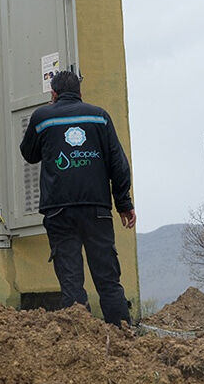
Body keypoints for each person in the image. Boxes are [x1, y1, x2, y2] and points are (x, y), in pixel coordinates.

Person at [19, 70, 136, 327]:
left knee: (71, 279)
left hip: (59, 210)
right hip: (97, 209)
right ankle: (122, 335)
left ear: (53, 94)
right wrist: (124, 204)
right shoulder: (99, 116)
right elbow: (118, 164)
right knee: (107, 278)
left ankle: (81, 341)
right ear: (80, 94)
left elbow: (29, 153)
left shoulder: (42, 118)